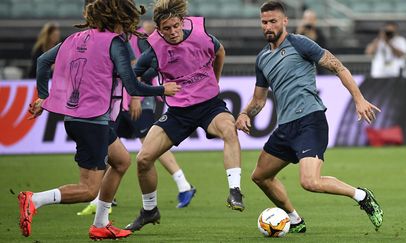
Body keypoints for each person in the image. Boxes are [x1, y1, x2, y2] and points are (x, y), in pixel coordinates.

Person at [19, 0, 180, 240]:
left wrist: (44, 96)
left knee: (122, 161)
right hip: (91, 121)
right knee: (88, 189)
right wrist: (162, 90)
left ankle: (100, 223)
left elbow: (43, 62)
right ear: (120, 16)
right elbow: (132, 84)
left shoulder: (76, 38)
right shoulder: (115, 43)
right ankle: (35, 200)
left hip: (82, 118)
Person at [235, 1, 383, 233]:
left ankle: (362, 195)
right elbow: (259, 99)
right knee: (261, 176)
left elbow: (337, 66)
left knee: (310, 182)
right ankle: (295, 221)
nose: (268, 26)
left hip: (310, 121)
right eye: (264, 22)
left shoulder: (299, 43)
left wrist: (359, 98)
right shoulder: (262, 59)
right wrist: (244, 113)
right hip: (285, 127)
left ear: (285, 21)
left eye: (273, 21)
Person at [124, 0, 245, 232]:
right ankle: (149, 211)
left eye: (176, 26)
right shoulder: (153, 50)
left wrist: (215, 80)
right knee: (143, 159)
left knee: (229, 129)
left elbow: (220, 51)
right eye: (166, 28)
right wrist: (159, 90)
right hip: (179, 112)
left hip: (209, 105)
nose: (173, 32)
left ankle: (235, 191)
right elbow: (131, 80)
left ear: (181, 22)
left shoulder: (200, 36)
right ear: (158, 29)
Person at [76, 22, 196, 216]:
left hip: (139, 99)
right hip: (118, 100)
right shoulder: (114, 36)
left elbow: (141, 68)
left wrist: (135, 98)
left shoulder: (138, 38)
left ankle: (184, 185)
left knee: (149, 143)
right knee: (108, 144)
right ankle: (104, 196)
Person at [296, 9, 327, 75]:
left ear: (315, 20)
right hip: (299, 66)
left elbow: (324, 52)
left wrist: (314, 37)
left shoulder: (319, 34)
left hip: (317, 67)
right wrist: (299, 33)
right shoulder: (296, 33)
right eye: (306, 18)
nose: (308, 21)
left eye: (311, 19)